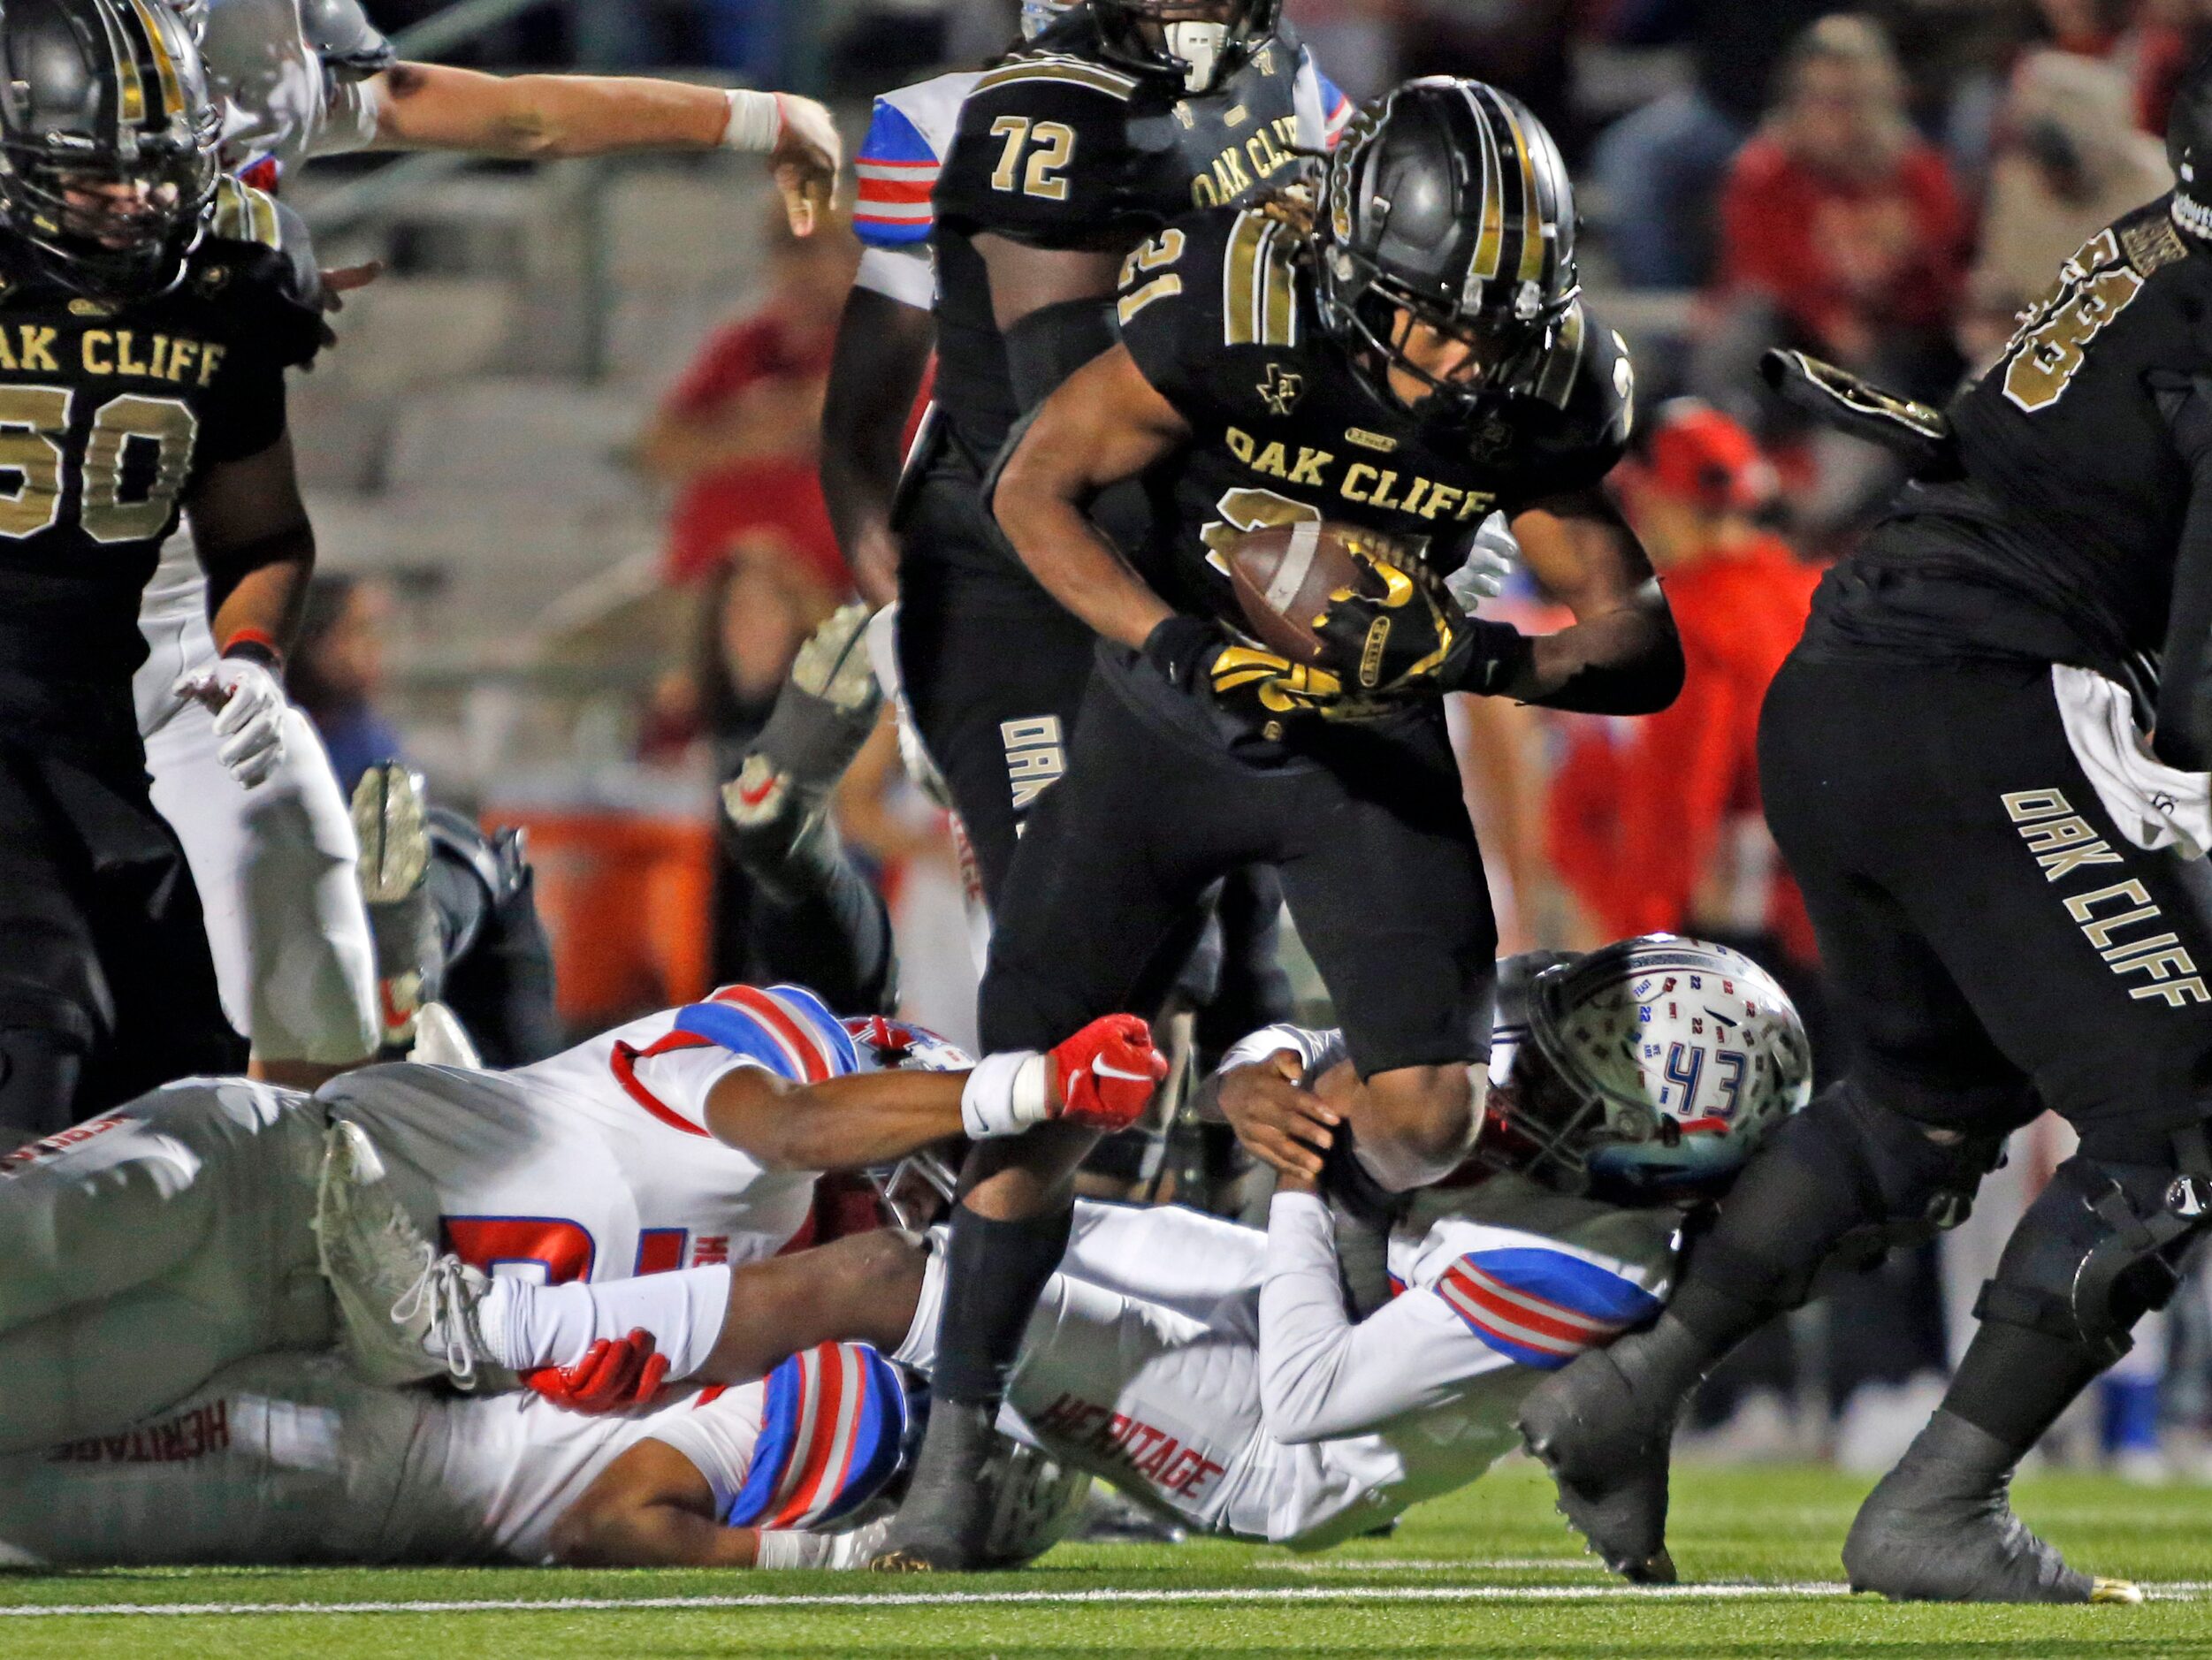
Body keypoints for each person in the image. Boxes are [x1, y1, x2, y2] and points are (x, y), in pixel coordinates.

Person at [889, 77, 1681, 1570]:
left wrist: (1471, 655)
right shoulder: (1237, 302)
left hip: (1362, 742)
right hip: (1166, 723)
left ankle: (1282, 1098)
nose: (1454, 359)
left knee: (1426, 1114)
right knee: (1043, 1093)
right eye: (1426, 316)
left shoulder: (1542, 380)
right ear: (1345, 261)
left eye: (1485, 330)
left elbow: (1641, 637)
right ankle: (959, 1430)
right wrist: (1167, 648)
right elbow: (1033, 485)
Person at [1514, 50, 2212, 1610]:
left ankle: (1632, 1389)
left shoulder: (2151, 249)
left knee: (1923, 1104)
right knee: (2169, 1107)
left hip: (1849, 685)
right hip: (1989, 702)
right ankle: (1939, 1505)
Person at [368, 936, 1812, 1552]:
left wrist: (1299, 1170)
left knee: (895, 1281)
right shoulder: (1556, 1090)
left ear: (1633, 1142)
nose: (1523, 1065)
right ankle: (968, 1481)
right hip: (1291, 1296)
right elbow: (1320, 1028)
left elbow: (1311, 1395)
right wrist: (1264, 1071)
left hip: (1281, 1446)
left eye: (1567, 1074)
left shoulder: (1587, 1265)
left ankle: (482, 1332)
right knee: (966, 1218)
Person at [133, 0, 848, 1093]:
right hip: (90, 604)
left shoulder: (239, 100)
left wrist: (749, 114)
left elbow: (519, 118)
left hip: (178, 609)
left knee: (306, 992)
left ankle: (393, 1102)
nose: (122, 193)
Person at [0, 980, 1164, 1455]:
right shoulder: (771, 1051)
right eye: (930, 1145)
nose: (927, 1188)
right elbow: (797, 1126)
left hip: (272, 1328)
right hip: (269, 1168)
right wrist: (1028, 1087)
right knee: (24, 1246)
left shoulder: (801, 1298)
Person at [0, 0, 331, 1138]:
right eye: (95, 173)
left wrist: (251, 658)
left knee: (187, 1104)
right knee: (38, 1032)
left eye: (159, 170)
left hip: (91, 754)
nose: (139, 200)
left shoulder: (228, 281)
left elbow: (265, 536)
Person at [0, 1339, 1087, 1572]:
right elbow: (606, 1521)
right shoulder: (842, 1413)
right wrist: (833, 1564)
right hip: (364, 1462)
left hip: (375, 1442)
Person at [1545, 400, 1817, 953]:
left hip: (1744, 940)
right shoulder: (1814, 595)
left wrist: (1638, 940)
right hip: (1839, 927)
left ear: (1649, 496)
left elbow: (1677, 808)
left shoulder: (1689, 625)